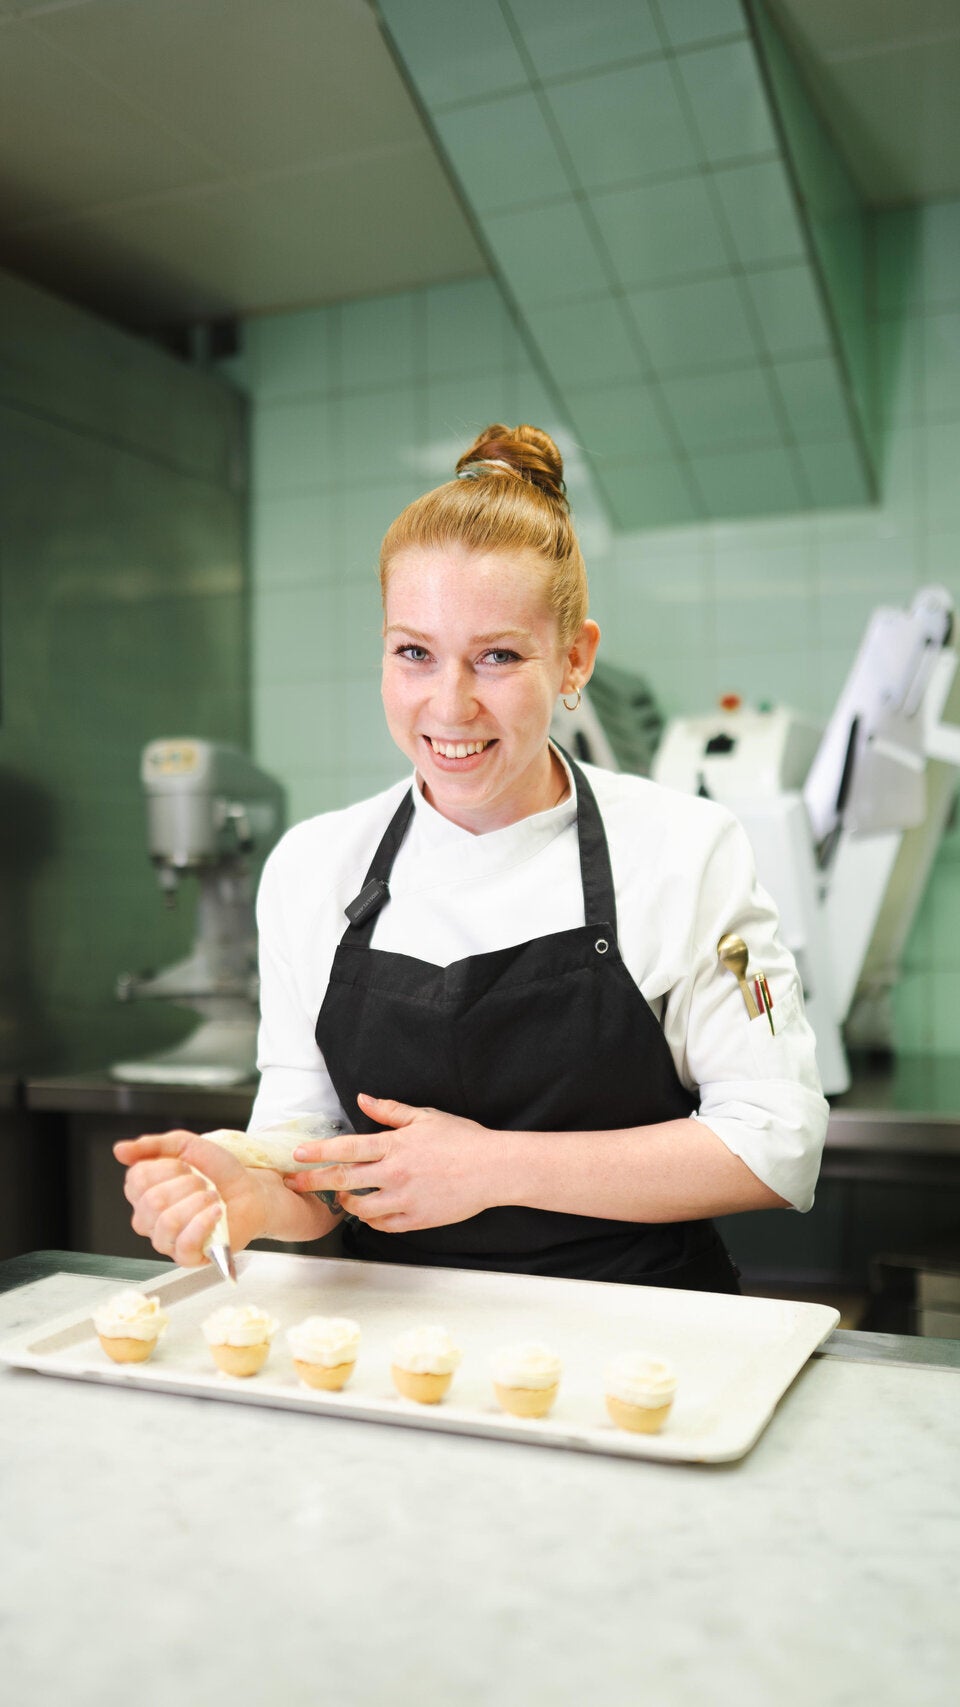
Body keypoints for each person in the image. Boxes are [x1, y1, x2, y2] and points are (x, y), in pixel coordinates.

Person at [116, 424, 828, 1292]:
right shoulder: (313, 868)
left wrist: (493, 1167)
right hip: (397, 1340)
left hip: (647, 1332)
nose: (450, 706)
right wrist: (253, 1194)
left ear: (574, 659)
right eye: (414, 652)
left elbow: (776, 1146)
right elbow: (316, 1160)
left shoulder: (684, 851)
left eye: (496, 656)